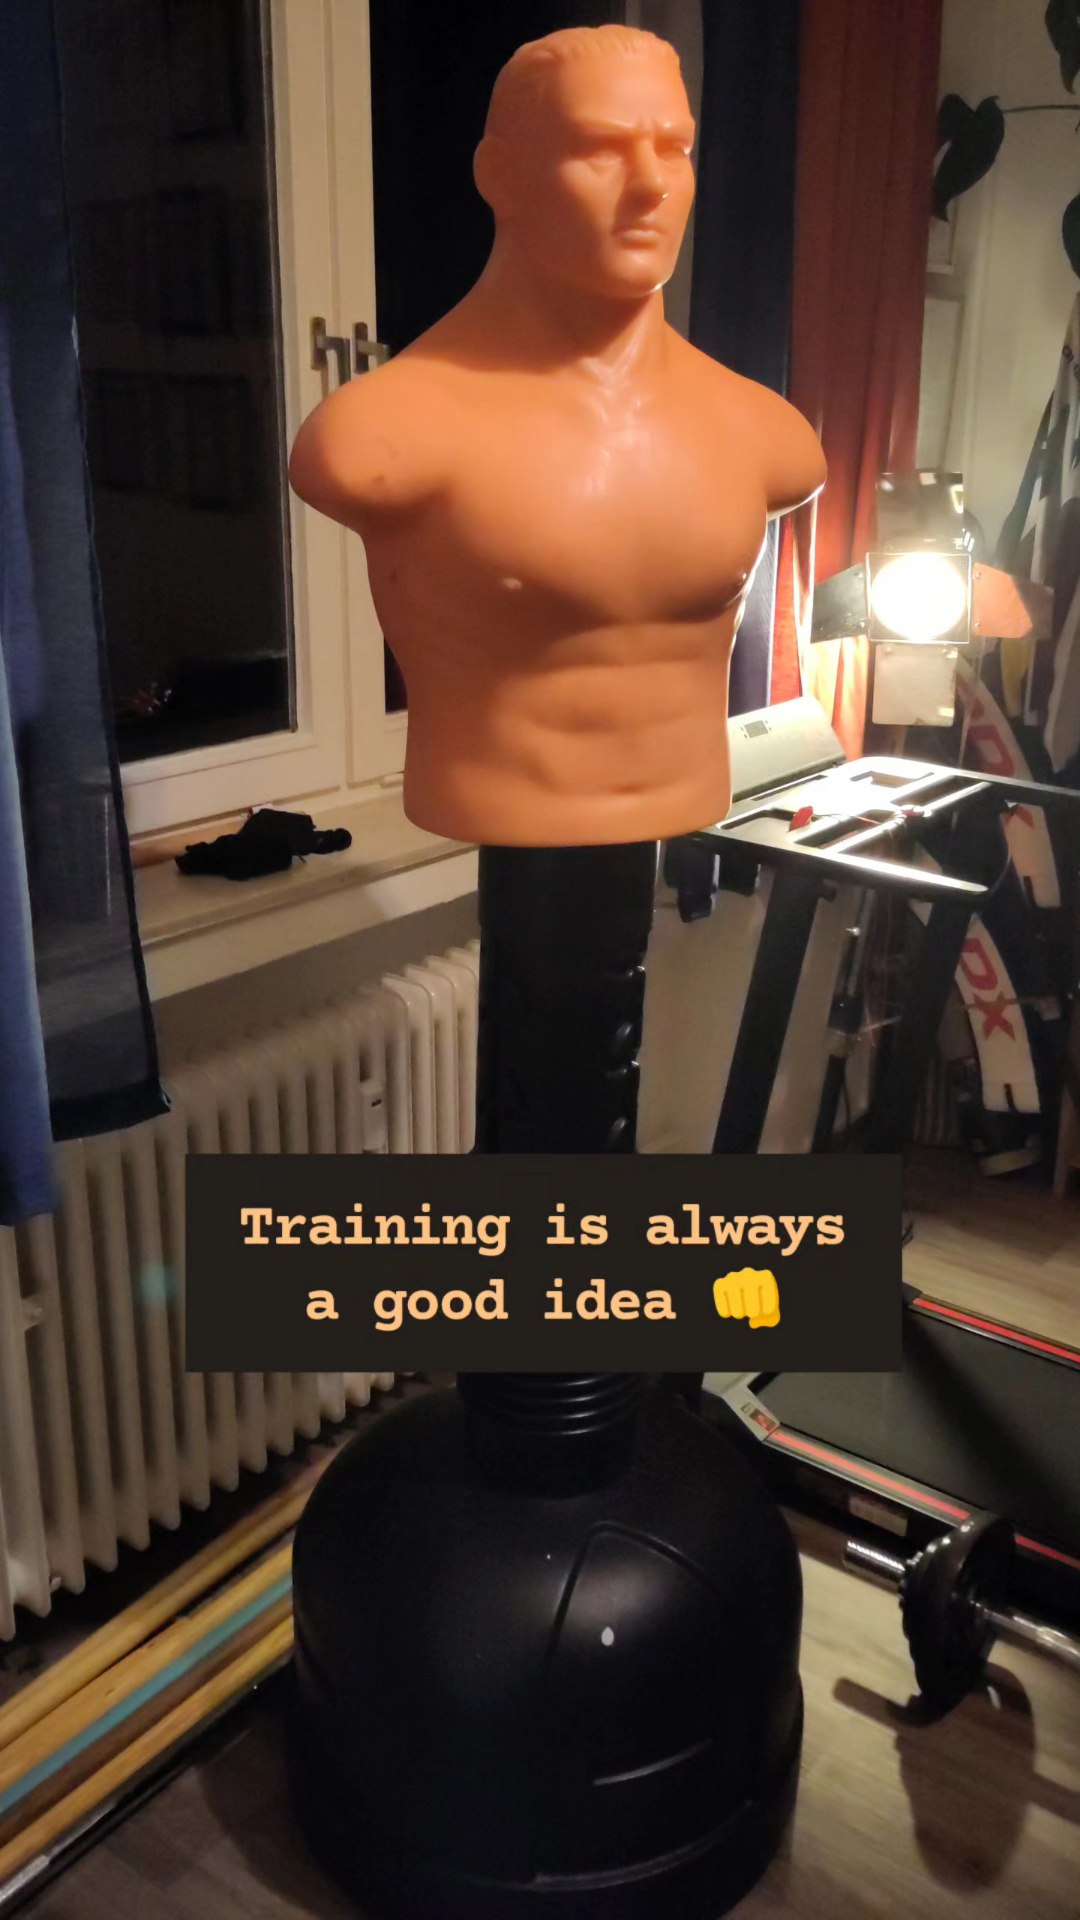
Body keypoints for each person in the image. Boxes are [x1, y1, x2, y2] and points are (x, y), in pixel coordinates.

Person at [290, 24, 826, 846]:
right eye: (599, 149)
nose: (650, 185)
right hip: (493, 809)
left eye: (675, 149)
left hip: (687, 806)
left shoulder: (765, 434)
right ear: (499, 175)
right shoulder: (380, 435)